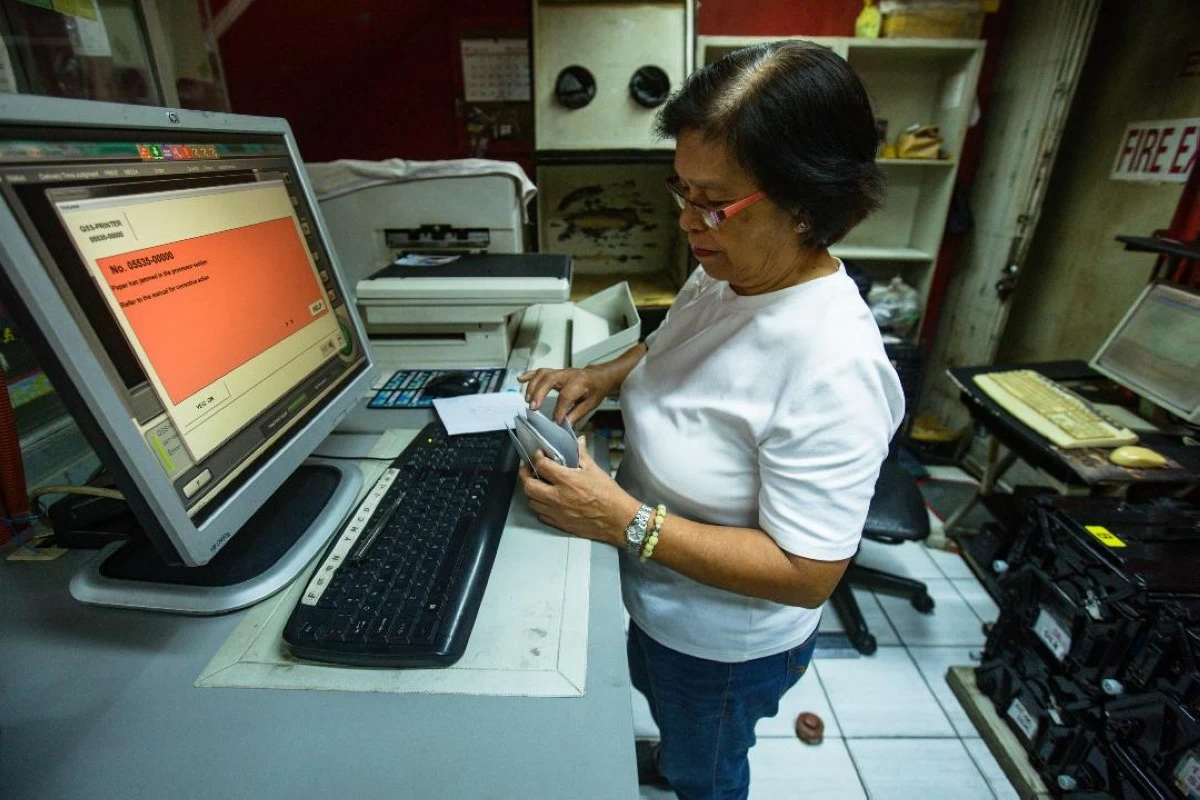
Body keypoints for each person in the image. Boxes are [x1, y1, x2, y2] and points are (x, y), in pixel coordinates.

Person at [517, 40, 904, 800]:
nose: (690, 222)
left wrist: (625, 519)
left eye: (713, 202)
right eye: (681, 190)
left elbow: (808, 572)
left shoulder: (832, 364)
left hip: (722, 647)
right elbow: (673, 345)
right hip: (661, 604)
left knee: (709, 769)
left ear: (804, 203)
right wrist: (603, 374)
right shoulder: (729, 267)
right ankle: (679, 753)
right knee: (674, 721)